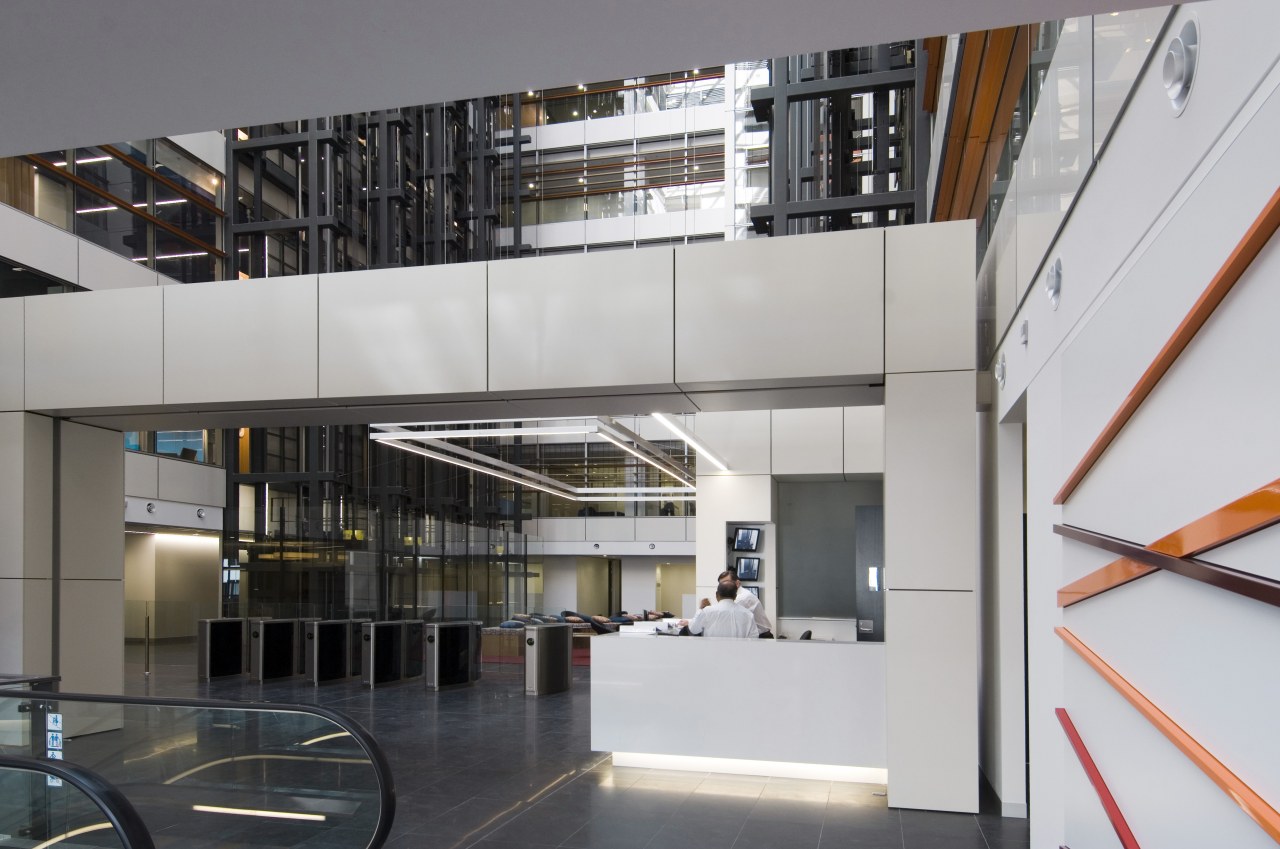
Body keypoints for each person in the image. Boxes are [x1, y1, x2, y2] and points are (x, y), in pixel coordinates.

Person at [683, 581, 759, 638]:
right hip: (739, 656)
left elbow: (693, 629)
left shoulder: (707, 611)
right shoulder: (748, 614)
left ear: (717, 595)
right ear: (735, 596)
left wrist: (701, 609)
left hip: (712, 656)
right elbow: (754, 638)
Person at [713, 568, 774, 638]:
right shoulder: (738, 595)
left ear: (737, 583)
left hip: (761, 637)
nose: (724, 587)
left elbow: (724, 616)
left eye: (727, 582)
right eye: (722, 584)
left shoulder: (742, 598)